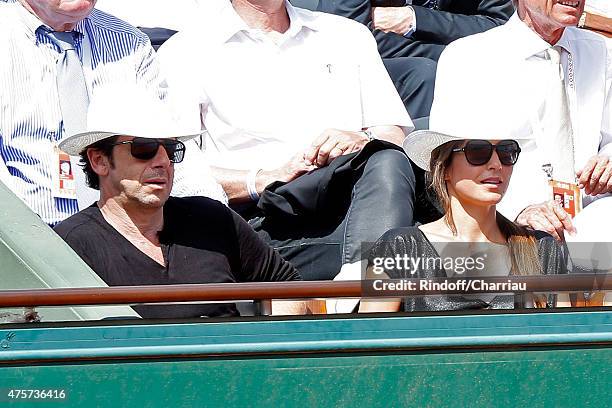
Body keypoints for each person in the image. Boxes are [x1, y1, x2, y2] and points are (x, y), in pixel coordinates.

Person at [158, 0, 417, 281]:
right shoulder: (187, 51)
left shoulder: (347, 35)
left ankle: (364, 296)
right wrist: (265, 179)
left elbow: (394, 136)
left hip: (355, 197)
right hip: (265, 216)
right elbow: (176, 169)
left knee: (389, 161)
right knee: (420, 257)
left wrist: (361, 139)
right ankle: (369, 299)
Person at [53, 95, 303, 319]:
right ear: (99, 160)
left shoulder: (211, 218)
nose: (163, 161)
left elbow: (288, 288)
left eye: (171, 149)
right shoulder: (70, 245)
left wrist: (262, 355)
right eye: (144, 148)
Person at [0, 0, 224, 226]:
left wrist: (214, 229)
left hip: (129, 237)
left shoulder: (129, 43)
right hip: (29, 240)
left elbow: (176, 153)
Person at [359, 94, 572, 313]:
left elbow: (566, 340)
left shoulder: (543, 249)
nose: (496, 164)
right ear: (445, 167)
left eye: (506, 152)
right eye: (478, 152)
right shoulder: (400, 247)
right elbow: (371, 339)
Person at [432, 0, 612, 243]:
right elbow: (453, 167)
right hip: (511, 226)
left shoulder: (602, 51)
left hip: (597, 217)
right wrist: (519, 211)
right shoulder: (469, 57)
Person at [297, 0, 514, 119]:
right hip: (348, 72)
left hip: (450, 59)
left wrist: (415, 19)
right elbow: (345, 38)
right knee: (423, 74)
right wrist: (450, 56)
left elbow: (501, 26)